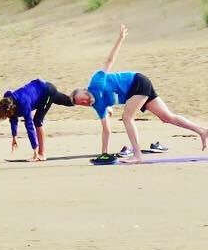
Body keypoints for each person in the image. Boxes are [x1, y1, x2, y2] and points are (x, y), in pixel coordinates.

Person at [71, 24, 208, 163]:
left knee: (127, 117)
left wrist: (120, 39)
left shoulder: (96, 82)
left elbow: (109, 61)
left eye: (79, 98)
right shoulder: (98, 106)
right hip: (136, 91)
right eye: (80, 104)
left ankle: (137, 156)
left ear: (83, 90)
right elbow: (106, 130)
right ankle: (202, 131)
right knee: (167, 117)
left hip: (137, 82)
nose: (82, 102)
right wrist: (104, 154)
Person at [0, 80, 72, 162]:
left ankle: (41, 154)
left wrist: (35, 150)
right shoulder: (8, 99)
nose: (5, 117)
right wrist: (14, 136)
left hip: (47, 92)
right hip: (40, 87)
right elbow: (13, 118)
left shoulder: (23, 104)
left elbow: (29, 126)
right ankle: (81, 98)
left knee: (37, 121)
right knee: (70, 101)